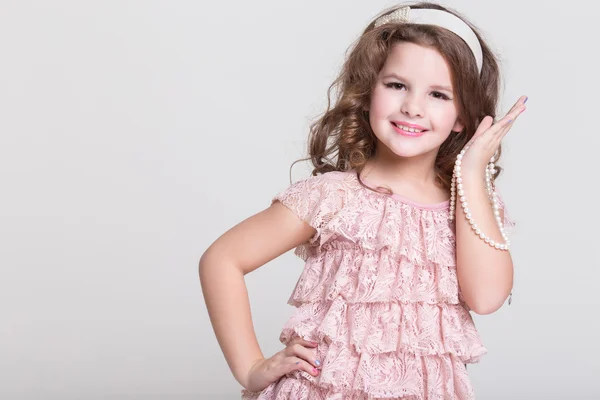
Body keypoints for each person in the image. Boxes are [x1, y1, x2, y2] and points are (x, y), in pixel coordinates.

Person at [200, 2, 525, 398]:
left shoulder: (467, 207)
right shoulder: (334, 197)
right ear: (369, 91)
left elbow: (487, 296)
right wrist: (250, 367)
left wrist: (472, 171)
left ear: (462, 116)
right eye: (396, 85)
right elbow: (222, 259)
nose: (413, 106)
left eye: (439, 94)